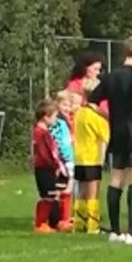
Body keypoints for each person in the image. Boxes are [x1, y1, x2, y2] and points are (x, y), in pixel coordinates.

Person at [87, 33, 132, 245]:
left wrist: (110, 116)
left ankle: (115, 231)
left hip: (117, 131)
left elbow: (91, 103)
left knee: (117, 180)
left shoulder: (109, 76)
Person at [72, 78, 109, 234]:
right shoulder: (96, 117)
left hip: (79, 157)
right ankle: (93, 225)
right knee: (93, 192)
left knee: (81, 191)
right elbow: (107, 136)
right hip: (92, 158)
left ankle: (79, 223)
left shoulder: (79, 113)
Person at [31, 98, 68, 233]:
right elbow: (45, 153)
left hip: (48, 167)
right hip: (44, 168)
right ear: (46, 117)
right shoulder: (40, 133)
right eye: (54, 117)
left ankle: (55, 222)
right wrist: (55, 165)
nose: (55, 120)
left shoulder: (43, 132)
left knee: (53, 196)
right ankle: (40, 224)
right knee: (47, 196)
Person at [50, 90, 79, 231]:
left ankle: (63, 218)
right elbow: (58, 141)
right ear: (57, 105)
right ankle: (59, 219)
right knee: (62, 188)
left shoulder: (66, 121)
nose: (68, 108)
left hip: (67, 158)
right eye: (65, 105)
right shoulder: (58, 122)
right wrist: (61, 159)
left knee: (66, 187)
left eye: (69, 105)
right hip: (62, 160)